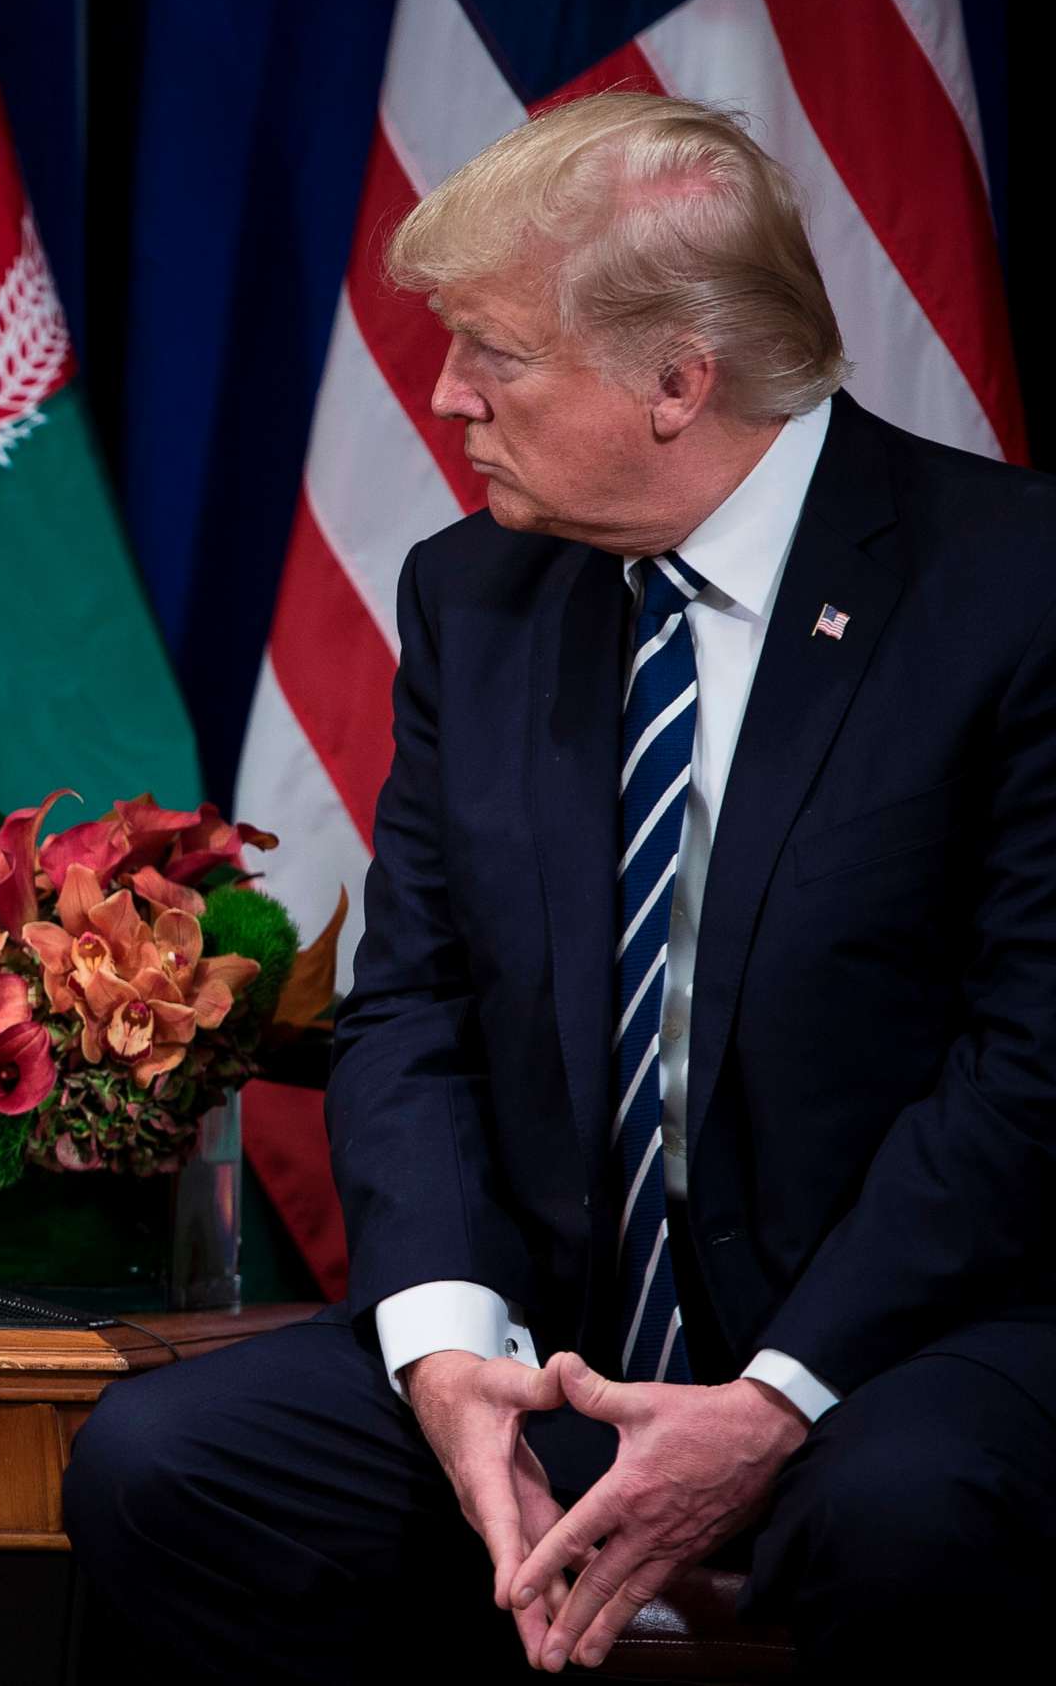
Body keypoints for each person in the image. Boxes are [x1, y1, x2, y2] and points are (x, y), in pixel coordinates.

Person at [64, 94, 1056, 1680]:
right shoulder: (478, 593)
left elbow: (1032, 1068)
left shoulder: (1008, 584)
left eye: (495, 354)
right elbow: (416, 1008)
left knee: (914, 1513)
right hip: (565, 1355)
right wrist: (451, 1352)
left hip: (896, 1352)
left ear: (680, 379)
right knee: (168, 1464)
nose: (446, 398)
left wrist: (775, 1395)